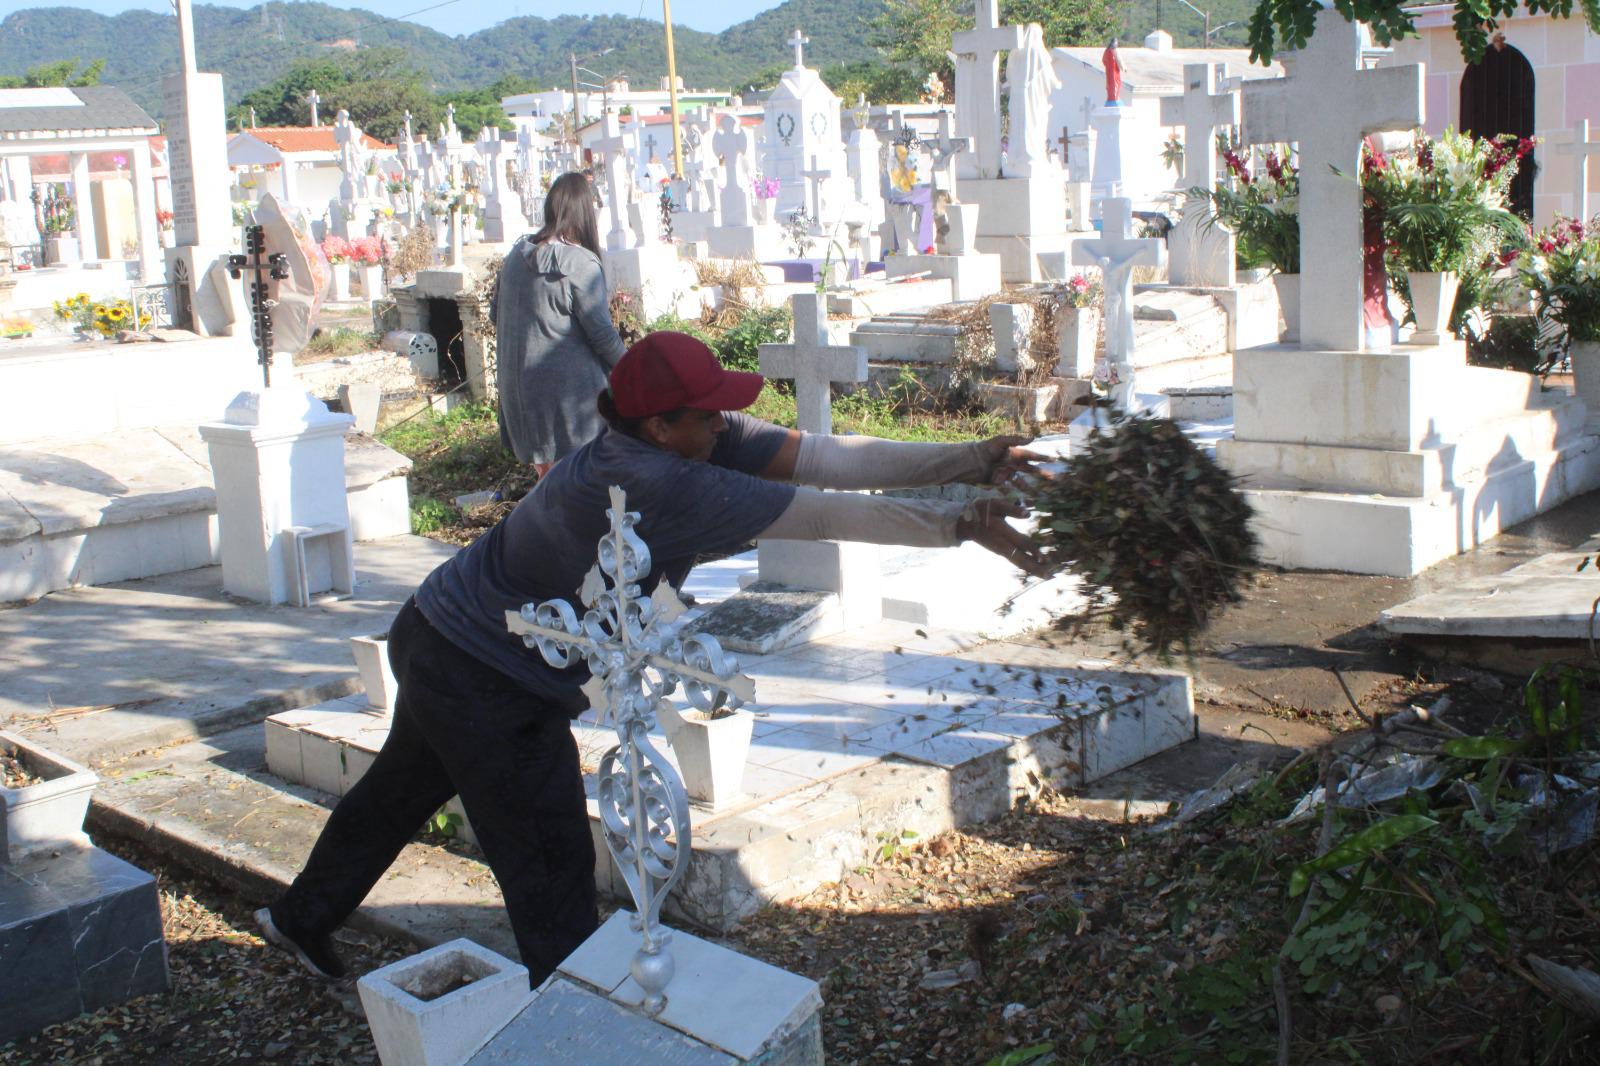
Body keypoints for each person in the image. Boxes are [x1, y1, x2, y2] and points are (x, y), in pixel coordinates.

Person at [256, 331, 1050, 986]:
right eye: (709, 413)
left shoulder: (685, 437)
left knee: (400, 790)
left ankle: (299, 919)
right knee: (549, 853)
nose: (725, 422)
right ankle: (577, 1014)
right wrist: (956, 524)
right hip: (484, 676)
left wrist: (971, 458)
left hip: (435, 627)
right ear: (663, 426)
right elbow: (820, 515)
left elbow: (831, 458)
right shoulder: (662, 481)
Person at [493, 171, 627, 478]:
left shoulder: (516, 255)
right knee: (577, 483)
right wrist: (632, 367)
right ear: (585, 213)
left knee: (549, 481)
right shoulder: (579, 264)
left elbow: (494, 315)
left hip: (522, 392)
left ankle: (548, 521)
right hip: (569, 398)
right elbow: (603, 337)